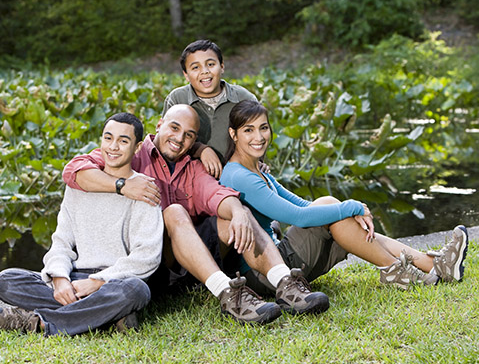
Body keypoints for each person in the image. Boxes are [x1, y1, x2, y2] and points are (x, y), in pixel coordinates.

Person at [62, 104, 329, 325]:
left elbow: (216, 195)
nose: (179, 139)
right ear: (159, 125)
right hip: (141, 261)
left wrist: (237, 211)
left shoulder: (193, 168)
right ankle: (227, 293)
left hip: (185, 259)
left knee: (237, 214)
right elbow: (73, 170)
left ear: (195, 140)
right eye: (174, 128)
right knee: (174, 211)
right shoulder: (129, 151)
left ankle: (286, 284)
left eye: (189, 135)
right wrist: (121, 185)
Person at [219, 100, 469, 294]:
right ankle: (403, 271)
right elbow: (296, 216)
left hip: (280, 262)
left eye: (263, 128)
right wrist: (353, 206)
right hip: (265, 272)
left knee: (333, 213)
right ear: (234, 134)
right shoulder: (239, 176)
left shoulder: (256, 170)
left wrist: (347, 211)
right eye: (248, 130)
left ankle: (430, 265)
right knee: (331, 208)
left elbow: (303, 204)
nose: (259, 137)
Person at [0, 113, 164, 336]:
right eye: (108, 138)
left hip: (114, 281)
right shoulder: (80, 185)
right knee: (6, 281)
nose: (113, 147)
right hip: (74, 278)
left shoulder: (145, 190)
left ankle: (40, 323)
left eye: (123, 141)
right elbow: (61, 242)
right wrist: (60, 279)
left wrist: (97, 283)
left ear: (137, 148)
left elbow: (147, 256)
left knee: (136, 290)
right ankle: (107, 316)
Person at [162, 39, 258, 178]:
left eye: (211, 64)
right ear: (186, 74)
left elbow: (258, 137)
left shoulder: (243, 98)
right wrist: (201, 149)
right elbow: (166, 143)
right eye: (195, 67)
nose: (205, 72)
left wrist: (256, 161)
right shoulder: (177, 99)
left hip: (238, 176)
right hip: (190, 178)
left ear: (222, 66)